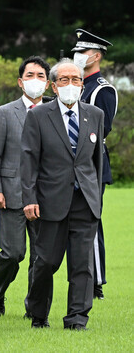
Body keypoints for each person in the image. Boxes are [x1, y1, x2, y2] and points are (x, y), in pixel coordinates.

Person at [21, 58, 104, 330]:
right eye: (64, 80)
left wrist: (96, 197)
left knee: (82, 265)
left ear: (82, 84)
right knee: (46, 262)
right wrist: (29, 198)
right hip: (49, 201)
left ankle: (77, 319)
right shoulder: (38, 115)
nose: (71, 85)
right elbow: (29, 159)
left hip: (84, 201)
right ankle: (38, 314)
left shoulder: (95, 114)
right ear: (54, 86)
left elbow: (97, 163)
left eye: (76, 79)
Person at [0, 56, 50, 318]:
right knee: (13, 254)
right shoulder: (4, 112)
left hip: (45, 196)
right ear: (20, 81)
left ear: (48, 83)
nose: (35, 80)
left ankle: (33, 307)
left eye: (41, 76)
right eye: (30, 75)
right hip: (11, 195)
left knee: (41, 258)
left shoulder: (54, 113)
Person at [72, 29, 118, 300]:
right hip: (68, 165)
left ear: (96, 55)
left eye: (83, 52)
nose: (78, 56)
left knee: (91, 222)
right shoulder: (74, 84)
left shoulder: (102, 89)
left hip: (91, 164)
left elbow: (103, 129)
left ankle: (96, 281)